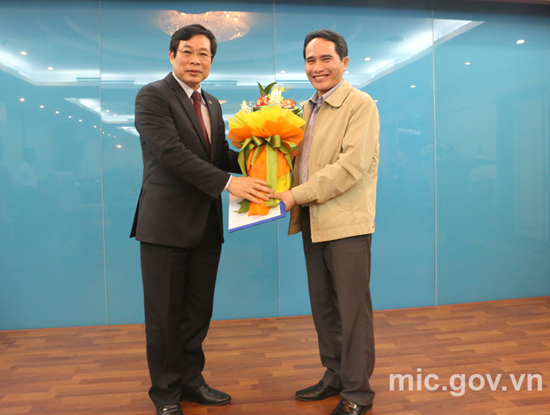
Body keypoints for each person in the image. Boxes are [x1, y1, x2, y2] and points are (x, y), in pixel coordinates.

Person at [130, 24, 270, 415]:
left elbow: (217, 155)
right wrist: (229, 183)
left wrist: (265, 157)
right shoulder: (152, 96)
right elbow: (171, 153)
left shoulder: (211, 104)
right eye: (188, 52)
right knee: (164, 315)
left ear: (211, 60)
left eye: (204, 53)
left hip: (206, 225)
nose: (196, 60)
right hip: (165, 226)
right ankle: (165, 394)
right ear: (172, 55)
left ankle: (191, 381)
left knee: (196, 312)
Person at [269, 30, 380, 415]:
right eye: (310, 60)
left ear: (344, 62)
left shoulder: (360, 105)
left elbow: (350, 167)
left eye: (326, 58)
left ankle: (358, 392)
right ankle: (334, 374)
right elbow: (291, 161)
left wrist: (294, 195)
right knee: (324, 307)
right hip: (313, 221)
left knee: (352, 311)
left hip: (347, 224)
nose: (317, 67)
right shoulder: (303, 109)